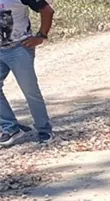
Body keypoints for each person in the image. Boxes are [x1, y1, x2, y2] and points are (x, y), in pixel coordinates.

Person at [0, 0, 53, 147]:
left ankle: (44, 129)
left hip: (19, 48)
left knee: (29, 90)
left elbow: (47, 10)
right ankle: (10, 128)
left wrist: (41, 36)